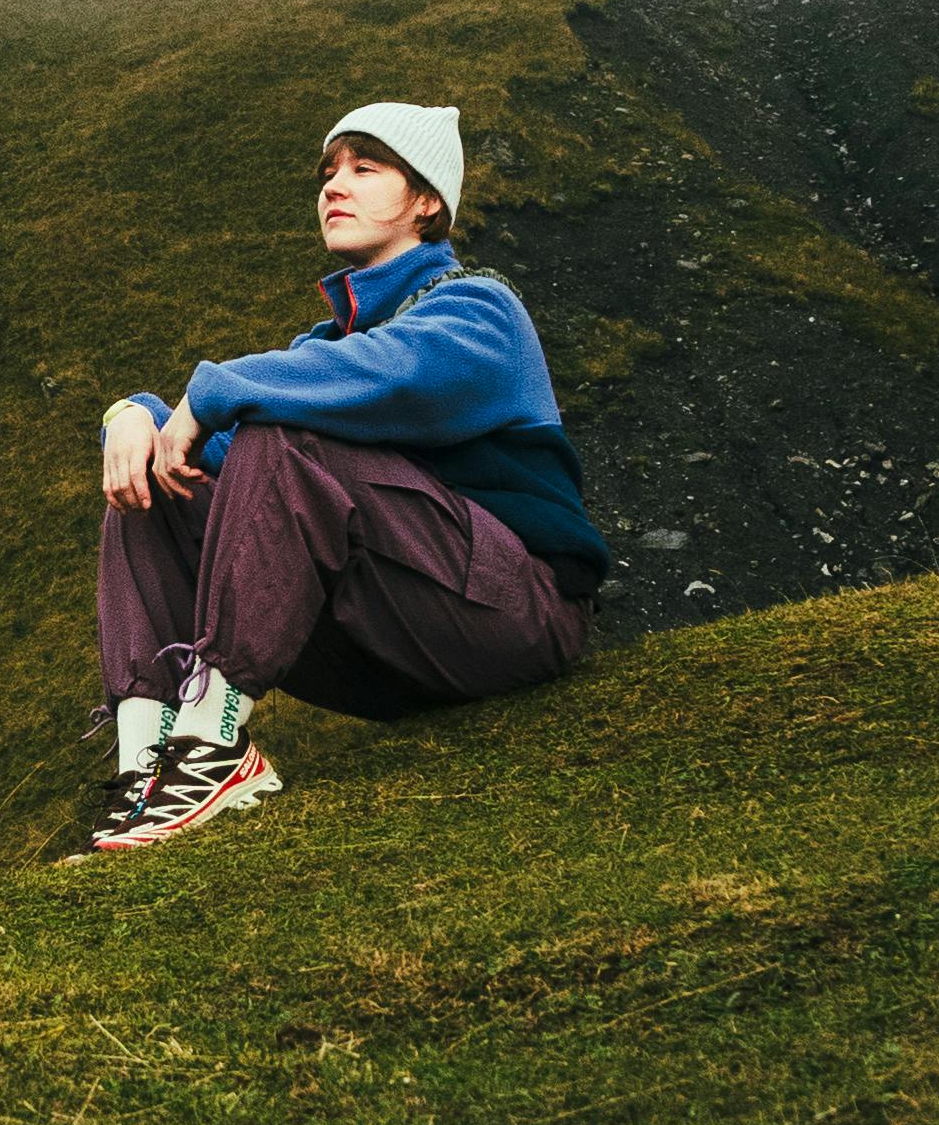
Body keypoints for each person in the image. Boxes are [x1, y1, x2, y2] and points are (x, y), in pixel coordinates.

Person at [76, 100, 607, 858]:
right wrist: (132, 414)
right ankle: (152, 772)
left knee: (283, 433)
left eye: (365, 168)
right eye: (329, 173)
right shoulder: (320, 352)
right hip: (392, 648)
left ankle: (213, 746)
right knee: (162, 486)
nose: (335, 186)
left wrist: (216, 391)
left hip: (516, 623)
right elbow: (212, 455)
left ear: (427, 202)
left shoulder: (481, 310)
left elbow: (394, 376)